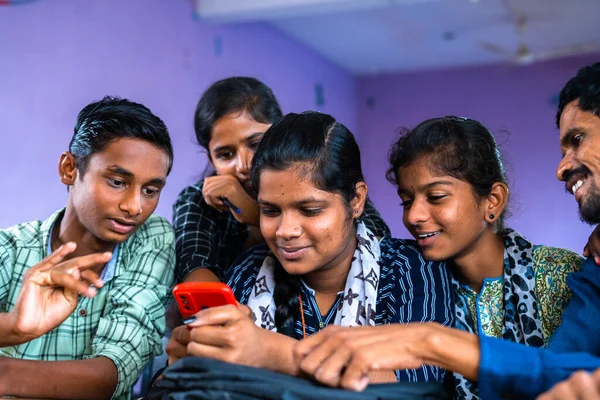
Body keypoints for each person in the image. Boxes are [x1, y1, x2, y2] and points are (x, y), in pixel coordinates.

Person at [292, 62, 600, 400]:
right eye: (406, 201)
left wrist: (433, 343)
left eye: (436, 197)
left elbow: (567, 377)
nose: (415, 216)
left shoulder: (561, 275)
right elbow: (357, 226)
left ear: (492, 201)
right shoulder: (408, 284)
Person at [165, 111, 453, 385]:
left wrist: (276, 355)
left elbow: (418, 383)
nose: (285, 231)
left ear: (356, 200)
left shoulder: (410, 267)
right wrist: (185, 368)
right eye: (270, 211)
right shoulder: (249, 270)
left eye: (310, 210)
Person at [0, 96, 176, 399]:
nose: (134, 207)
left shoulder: (152, 237)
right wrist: (14, 327)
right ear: (70, 169)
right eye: (118, 181)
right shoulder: (11, 248)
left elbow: (114, 371)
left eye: (150, 190)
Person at [173, 77, 390, 284]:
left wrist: (254, 213)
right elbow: (194, 271)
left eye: (255, 144)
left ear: (280, 134)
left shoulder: (322, 179)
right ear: (210, 158)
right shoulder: (198, 200)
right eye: (225, 155)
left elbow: (380, 246)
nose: (243, 165)